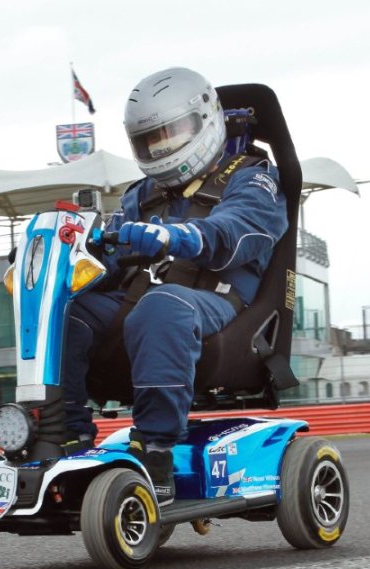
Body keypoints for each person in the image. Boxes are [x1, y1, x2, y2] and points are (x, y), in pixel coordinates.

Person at [61, 67, 288, 504]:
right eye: (151, 140)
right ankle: (65, 436)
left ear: (205, 120)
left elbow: (237, 233)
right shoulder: (139, 195)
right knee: (69, 311)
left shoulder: (253, 178)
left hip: (221, 302)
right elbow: (110, 259)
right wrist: (71, 254)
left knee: (162, 305)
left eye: (171, 134)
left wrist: (177, 235)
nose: (161, 147)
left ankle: (156, 450)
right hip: (144, 299)